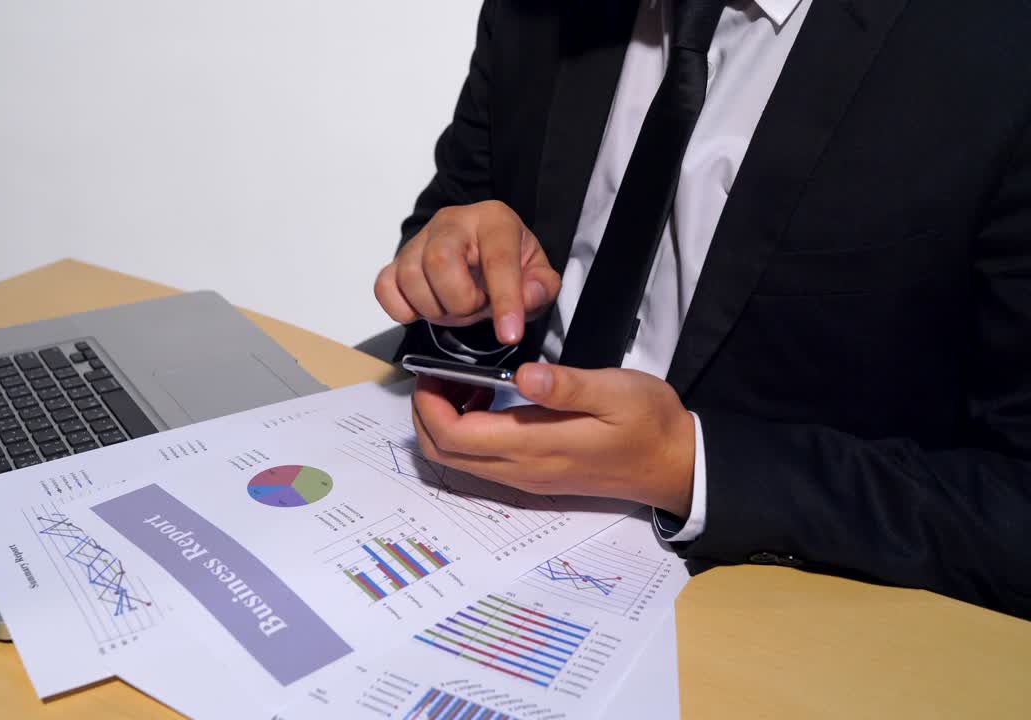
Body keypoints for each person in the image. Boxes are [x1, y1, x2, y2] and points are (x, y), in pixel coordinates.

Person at [375, 0, 1031, 619]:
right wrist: (456, 288)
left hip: (780, 603)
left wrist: (691, 467)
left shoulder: (999, 50)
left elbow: (1014, 505)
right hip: (468, 517)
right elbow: (453, 215)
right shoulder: (539, 13)